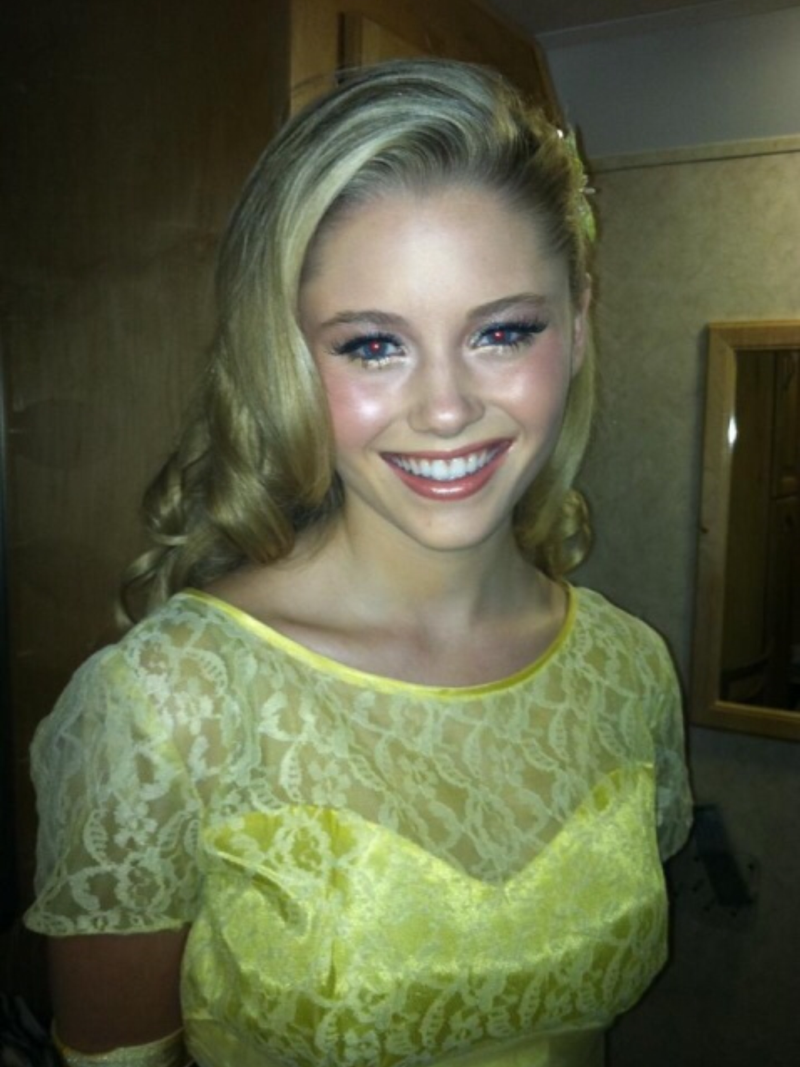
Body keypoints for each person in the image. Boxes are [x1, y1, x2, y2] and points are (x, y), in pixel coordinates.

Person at [24, 59, 692, 1067]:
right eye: (373, 346)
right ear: (286, 356)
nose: (446, 409)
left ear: (580, 322)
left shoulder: (630, 670)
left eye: (502, 332)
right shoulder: (166, 705)